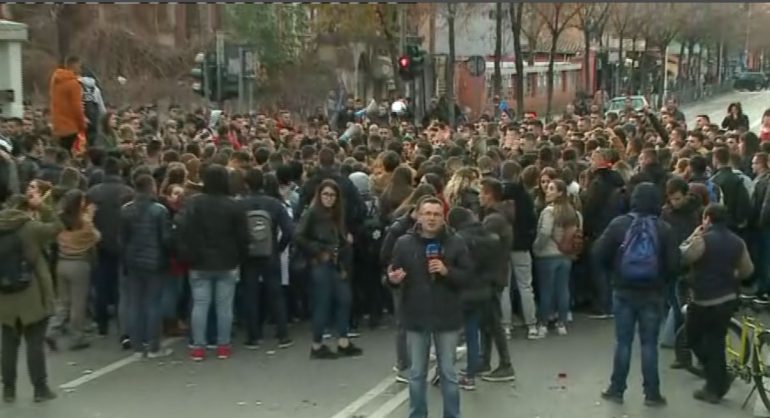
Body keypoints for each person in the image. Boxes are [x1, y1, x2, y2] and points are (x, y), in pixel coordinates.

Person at [594, 182, 678, 406]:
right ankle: (652, 394)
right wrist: (662, 281)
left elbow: (598, 253)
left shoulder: (619, 224)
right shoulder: (664, 228)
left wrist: (614, 272)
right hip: (653, 292)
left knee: (623, 342)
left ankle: (617, 388)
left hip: (623, 290)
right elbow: (674, 264)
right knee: (649, 344)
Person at [387, 196, 472, 418]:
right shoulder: (404, 243)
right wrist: (392, 279)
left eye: (436, 214)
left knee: (448, 373)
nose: (432, 218)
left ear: (443, 218)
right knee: (416, 374)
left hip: (447, 316)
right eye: (427, 214)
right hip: (416, 315)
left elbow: (468, 276)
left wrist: (447, 272)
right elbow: (390, 274)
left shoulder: (456, 242)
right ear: (419, 215)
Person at [680, 203, 754, 403]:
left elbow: (684, 257)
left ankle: (716, 383)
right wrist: (731, 275)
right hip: (727, 298)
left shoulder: (703, 240)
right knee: (716, 342)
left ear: (707, 219)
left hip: (703, 299)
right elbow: (747, 270)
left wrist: (694, 234)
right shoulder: (738, 242)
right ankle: (717, 382)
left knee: (693, 338)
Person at [177, 164, 249, 361]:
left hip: (199, 261)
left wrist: (188, 254)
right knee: (224, 306)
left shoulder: (194, 204)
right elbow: (243, 237)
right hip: (227, 260)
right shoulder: (234, 205)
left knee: (200, 304)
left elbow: (184, 230)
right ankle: (223, 345)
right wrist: (239, 257)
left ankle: (198, 346)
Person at [0, 192, 62, 403]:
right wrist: (43, 206)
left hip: (4, 295)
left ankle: (8, 389)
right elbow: (57, 226)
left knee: (8, 343)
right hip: (32, 292)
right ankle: (40, 388)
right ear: (27, 208)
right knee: (34, 342)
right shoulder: (31, 228)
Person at [295, 179, 362, 359]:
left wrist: (345, 242)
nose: (329, 198)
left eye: (332, 195)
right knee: (322, 304)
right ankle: (317, 345)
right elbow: (299, 236)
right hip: (321, 263)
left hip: (337, 263)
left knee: (344, 299)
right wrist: (318, 251)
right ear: (319, 195)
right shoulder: (311, 213)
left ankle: (343, 341)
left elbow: (338, 238)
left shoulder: (337, 213)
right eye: (325, 194)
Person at [240, 167, 294, 349]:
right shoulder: (274, 204)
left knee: (251, 294)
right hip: (269, 252)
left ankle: (253, 336)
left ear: (246, 184)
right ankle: (283, 334)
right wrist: (279, 248)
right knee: (276, 293)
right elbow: (288, 230)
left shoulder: (240, 204)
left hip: (249, 254)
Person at [447, 207, 500, 391]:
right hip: (482, 290)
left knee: (449, 333)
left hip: (460, 291)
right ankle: (470, 375)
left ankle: (444, 371)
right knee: (472, 333)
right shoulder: (489, 237)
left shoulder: (457, 240)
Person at [120, 174, 173, 359]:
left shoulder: (126, 210)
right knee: (153, 303)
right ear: (151, 187)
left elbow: (123, 238)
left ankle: (137, 346)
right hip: (155, 261)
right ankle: (153, 346)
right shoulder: (160, 210)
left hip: (133, 260)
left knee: (135, 303)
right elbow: (166, 239)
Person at [47, 189, 100, 351]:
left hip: (62, 263)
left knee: (63, 303)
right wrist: (90, 216)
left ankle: (52, 330)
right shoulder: (84, 223)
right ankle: (77, 337)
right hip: (79, 265)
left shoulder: (60, 220)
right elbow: (96, 237)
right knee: (78, 304)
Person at [477, 177, 516, 382]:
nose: (479, 196)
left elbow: (484, 248)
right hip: (496, 273)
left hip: (491, 275)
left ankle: (505, 364)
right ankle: (484, 360)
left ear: (490, 194)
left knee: (493, 321)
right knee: (487, 321)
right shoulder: (497, 216)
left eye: (482, 192)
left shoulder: (494, 220)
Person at [532, 179, 582, 337]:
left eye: (552, 189)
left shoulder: (549, 211)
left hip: (548, 254)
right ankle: (562, 323)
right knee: (563, 289)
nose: (547, 190)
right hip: (565, 254)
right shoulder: (572, 211)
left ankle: (543, 324)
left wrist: (536, 247)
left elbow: (545, 232)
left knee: (546, 290)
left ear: (560, 192)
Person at [49, 56, 87, 154]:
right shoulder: (73, 84)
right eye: (79, 66)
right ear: (74, 66)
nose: (80, 69)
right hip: (70, 126)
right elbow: (77, 107)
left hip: (58, 125)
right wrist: (82, 124)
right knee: (70, 154)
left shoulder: (56, 82)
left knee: (60, 154)